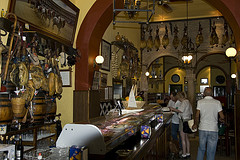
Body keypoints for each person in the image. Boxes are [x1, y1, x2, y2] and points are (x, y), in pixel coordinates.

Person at [192, 87, 224, 160]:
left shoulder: (200, 102)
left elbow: (197, 116)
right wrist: (221, 119)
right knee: (211, 151)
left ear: (203, 94)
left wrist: (195, 124)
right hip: (213, 129)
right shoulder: (217, 102)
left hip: (203, 128)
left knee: (201, 148)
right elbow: (222, 116)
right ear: (212, 94)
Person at [170, 92, 192, 158]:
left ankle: (184, 154)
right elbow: (191, 112)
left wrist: (173, 109)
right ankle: (188, 153)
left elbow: (181, 110)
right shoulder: (188, 102)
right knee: (187, 138)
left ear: (179, 97)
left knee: (183, 138)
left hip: (183, 121)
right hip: (188, 120)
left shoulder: (184, 102)